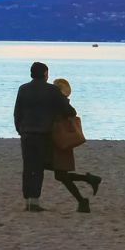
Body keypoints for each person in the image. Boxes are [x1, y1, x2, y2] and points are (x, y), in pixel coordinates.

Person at [14, 62, 76, 212]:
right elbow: (69, 111)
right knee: (38, 168)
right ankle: (34, 202)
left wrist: (20, 130)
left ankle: (28, 200)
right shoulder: (52, 90)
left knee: (28, 167)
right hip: (43, 134)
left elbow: (17, 112)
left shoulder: (23, 89)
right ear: (45, 74)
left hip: (27, 134)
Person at [49, 78, 102, 213]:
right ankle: (88, 182)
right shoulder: (61, 101)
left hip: (60, 140)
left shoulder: (60, 102)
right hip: (61, 140)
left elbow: (71, 112)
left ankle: (83, 198)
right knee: (60, 175)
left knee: (61, 175)